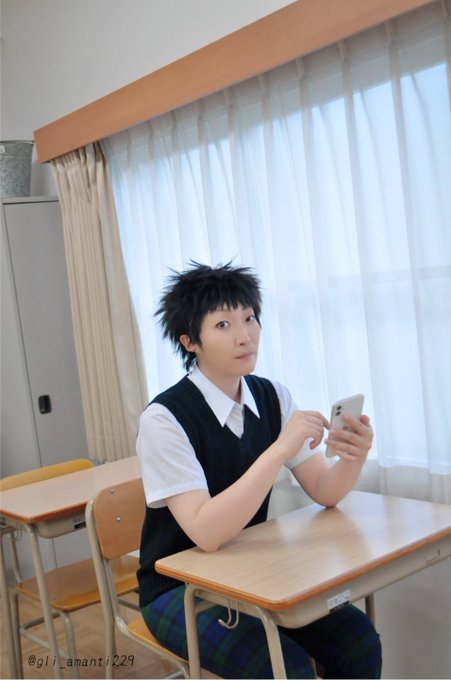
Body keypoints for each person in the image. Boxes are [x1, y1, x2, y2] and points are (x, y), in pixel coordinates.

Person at [137, 262, 382, 679]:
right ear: (189, 341)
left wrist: (353, 455)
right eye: (223, 324)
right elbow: (207, 533)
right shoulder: (164, 418)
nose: (244, 335)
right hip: (179, 589)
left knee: (359, 642)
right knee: (286, 669)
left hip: (249, 571)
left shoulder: (271, 396)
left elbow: (325, 489)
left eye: (250, 318)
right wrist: (279, 449)